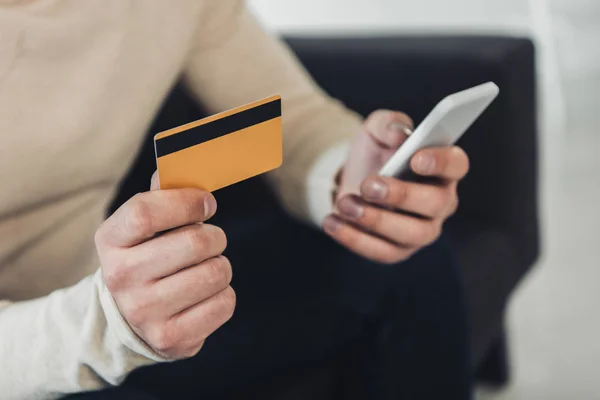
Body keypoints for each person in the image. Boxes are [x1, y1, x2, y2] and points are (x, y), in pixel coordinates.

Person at [0, 1, 470, 399]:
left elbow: (295, 120)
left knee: (403, 270)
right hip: (31, 355)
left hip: (101, 299)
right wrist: (104, 328)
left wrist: (356, 181)